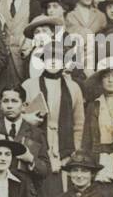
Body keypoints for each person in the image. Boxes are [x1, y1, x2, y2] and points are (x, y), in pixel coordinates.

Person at [20, 20, 86, 176]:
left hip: (65, 149)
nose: (53, 62)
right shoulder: (29, 85)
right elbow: (20, 116)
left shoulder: (73, 88)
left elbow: (79, 124)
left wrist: (74, 151)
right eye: (49, 58)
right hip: (38, 147)